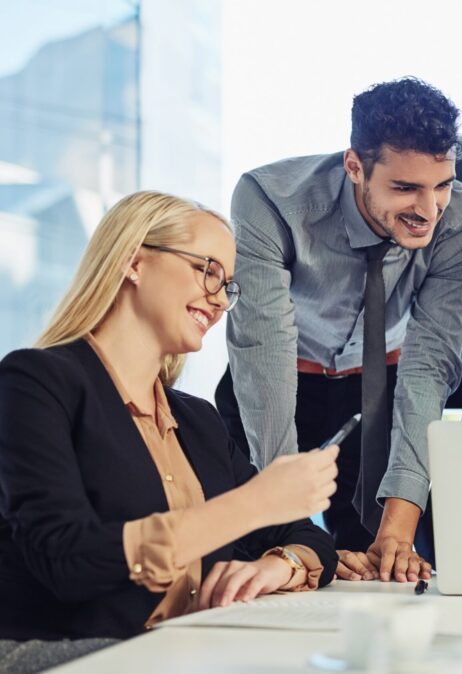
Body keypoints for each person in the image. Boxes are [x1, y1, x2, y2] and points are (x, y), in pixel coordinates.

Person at [0, 192, 340, 667]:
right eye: (209, 270)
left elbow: (305, 533)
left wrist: (278, 564)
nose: (220, 299)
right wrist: (253, 504)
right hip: (73, 655)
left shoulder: (196, 420)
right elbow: (66, 561)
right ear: (134, 262)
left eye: (228, 286)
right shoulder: (34, 382)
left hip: (185, 650)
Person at [215, 78, 462, 583]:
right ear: (355, 167)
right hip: (277, 382)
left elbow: (429, 364)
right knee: (257, 556)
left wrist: (399, 529)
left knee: (375, 564)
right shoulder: (270, 200)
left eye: (442, 185)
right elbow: (265, 350)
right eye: (405, 188)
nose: (428, 210)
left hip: (376, 387)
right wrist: (293, 537)